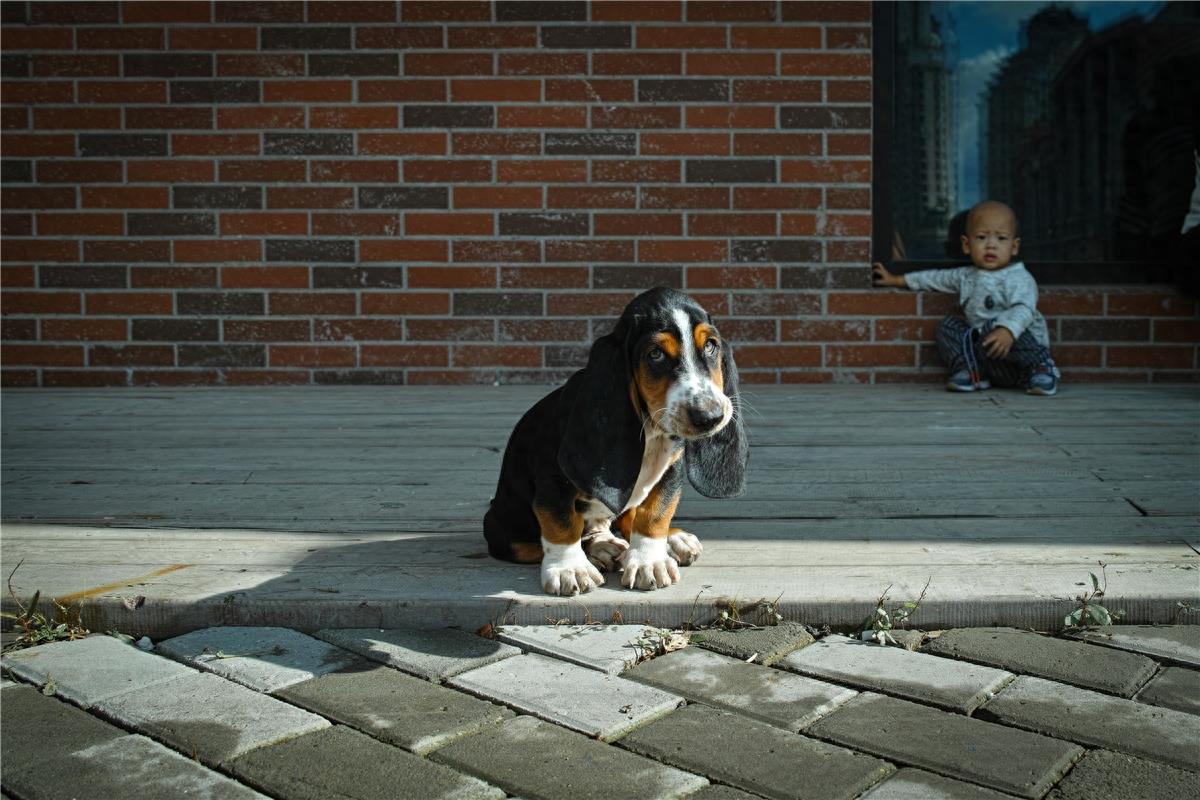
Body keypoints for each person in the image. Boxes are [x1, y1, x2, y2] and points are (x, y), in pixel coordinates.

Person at [873, 201, 1060, 395]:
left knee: (994, 324)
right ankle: (972, 371)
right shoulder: (965, 276)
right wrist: (897, 279)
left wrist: (1007, 330)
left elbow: (1024, 308)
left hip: (1021, 364)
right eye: (981, 237)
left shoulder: (1019, 277)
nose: (991, 245)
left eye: (1001, 238)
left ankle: (1043, 368)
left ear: (1014, 246)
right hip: (988, 359)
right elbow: (933, 278)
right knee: (948, 326)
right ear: (966, 245)